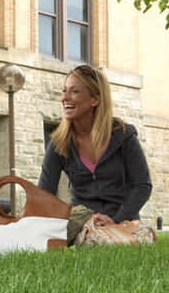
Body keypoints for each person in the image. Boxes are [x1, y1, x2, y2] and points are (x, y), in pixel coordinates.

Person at [38, 64, 152, 243]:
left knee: (133, 239)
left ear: (95, 100)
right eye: (64, 91)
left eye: (74, 92)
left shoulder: (123, 135)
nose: (64, 98)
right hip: (81, 220)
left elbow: (142, 186)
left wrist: (116, 219)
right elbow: (44, 195)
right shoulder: (59, 143)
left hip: (122, 218)